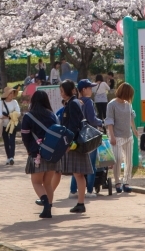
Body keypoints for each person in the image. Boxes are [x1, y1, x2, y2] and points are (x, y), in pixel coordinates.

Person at [21, 90, 61, 219]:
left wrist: (29, 149)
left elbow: (25, 136)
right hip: (53, 154)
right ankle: (48, 209)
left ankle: (46, 205)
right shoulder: (53, 116)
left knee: (37, 182)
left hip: (37, 153)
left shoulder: (29, 116)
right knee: (47, 183)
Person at [57, 80, 93, 213]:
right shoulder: (74, 102)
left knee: (78, 173)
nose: (61, 94)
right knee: (78, 174)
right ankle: (80, 203)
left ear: (70, 90)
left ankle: (81, 203)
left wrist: (69, 142)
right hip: (76, 142)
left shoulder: (73, 103)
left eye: (62, 91)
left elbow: (73, 125)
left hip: (75, 143)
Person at [69, 79, 103, 198]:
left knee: (76, 166)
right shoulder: (88, 102)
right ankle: (89, 191)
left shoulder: (75, 102)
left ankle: (73, 191)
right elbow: (92, 119)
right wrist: (101, 122)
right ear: (84, 90)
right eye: (89, 88)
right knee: (90, 165)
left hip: (77, 136)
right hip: (89, 137)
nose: (91, 90)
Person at [105, 82, 139, 194]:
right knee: (118, 159)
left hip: (128, 136)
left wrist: (134, 130)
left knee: (129, 160)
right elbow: (109, 121)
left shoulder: (128, 104)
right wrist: (112, 136)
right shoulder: (112, 104)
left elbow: (131, 117)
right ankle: (117, 181)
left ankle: (126, 182)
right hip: (117, 136)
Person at [0, 86, 21, 165]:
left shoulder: (15, 102)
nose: (12, 94)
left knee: (12, 140)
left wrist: (9, 115)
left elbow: (18, 113)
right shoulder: (1, 103)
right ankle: (8, 157)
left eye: (13, 93)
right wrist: (9, 115)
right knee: (6, 141)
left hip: (12, 124)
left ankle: (12, 157)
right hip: (4, 125)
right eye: (10, 93)